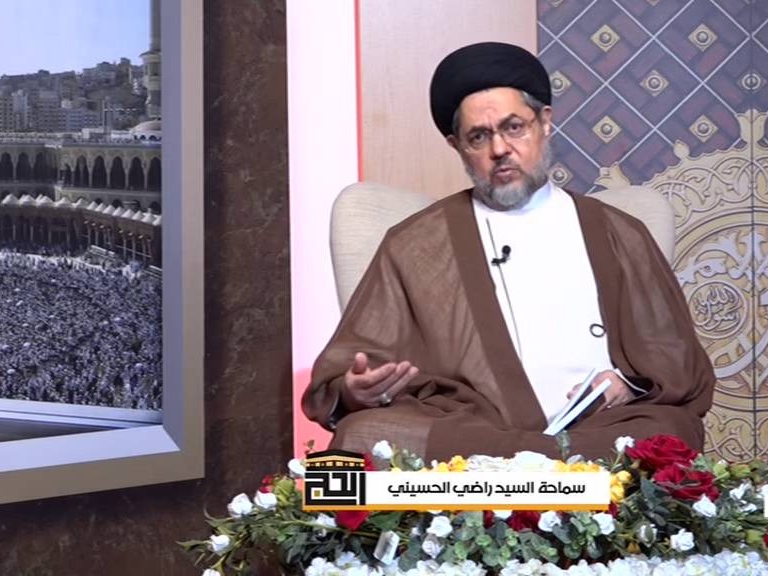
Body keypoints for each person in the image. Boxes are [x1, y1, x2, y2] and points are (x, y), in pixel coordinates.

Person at [302, 42, 715, 461]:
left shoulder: (618, 231)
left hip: (596, 428)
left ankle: (527, 470)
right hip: (472, 431)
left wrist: (627, 386)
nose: (499, 149)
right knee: (361, 433)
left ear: (545, 123)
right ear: (457, 146)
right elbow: (350, 366)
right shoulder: (414, 243)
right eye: (479, 137)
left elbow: (678, 362)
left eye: (514, 127)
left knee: (670, 430)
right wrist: (354, 390)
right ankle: (548, 470)